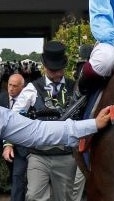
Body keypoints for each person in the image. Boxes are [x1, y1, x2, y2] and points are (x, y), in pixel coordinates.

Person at [12, 41, 79, 201]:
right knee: (34, 196)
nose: (56, 73)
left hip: (66, 156)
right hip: (38, 155)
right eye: (52, 70)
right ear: (44, 66)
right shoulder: (32, 88)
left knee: (64, 198)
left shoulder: (75, 87)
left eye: (59, 69)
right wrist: (9, 143)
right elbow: (14, 117)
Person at [0, 73, 27, 201]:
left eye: (15, 86)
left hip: (21, 146)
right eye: (10, 85)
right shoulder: (1, 98)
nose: (11, 88)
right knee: (14, 175)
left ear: (22, 87)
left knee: (17, 175)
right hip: (3, 145)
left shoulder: (29, 100)